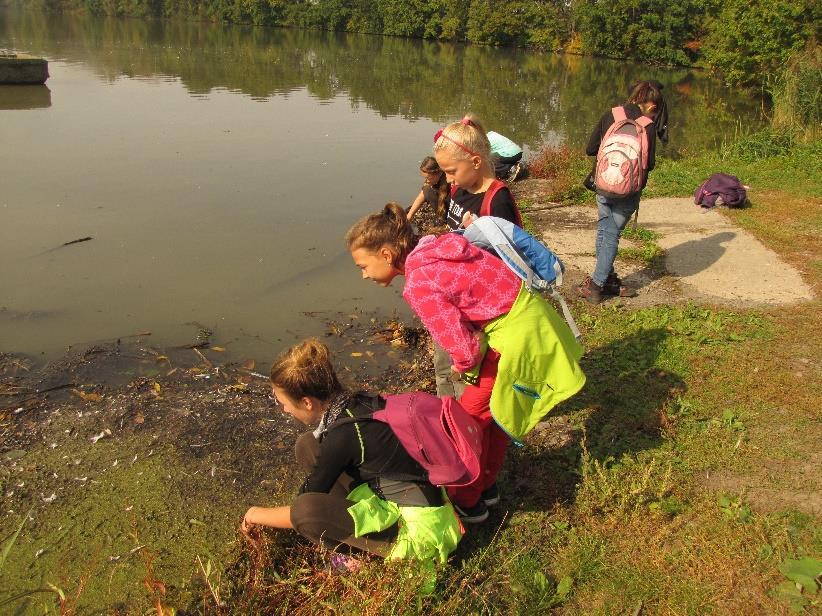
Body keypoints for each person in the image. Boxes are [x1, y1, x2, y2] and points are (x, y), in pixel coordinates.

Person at [346, 204, 585, 523]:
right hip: (531, 320)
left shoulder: (419, 283)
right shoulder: (440, 246)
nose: (362, 274)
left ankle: (467, 503)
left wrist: (462, 365)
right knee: (495, 416)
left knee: (464, 427)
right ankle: (487, 488)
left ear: (387, 254)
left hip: (511, 341)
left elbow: (463, 347)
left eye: (363, 265)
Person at [242, 339, 462, 569]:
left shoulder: (343, 437)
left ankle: (359, 556)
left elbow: (300, 508)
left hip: (418, 530)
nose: (284, 410)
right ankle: (353, 532)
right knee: (307, 445)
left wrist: (254, 514)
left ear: (307, 402)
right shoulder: (356, 403)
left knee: (304, 512)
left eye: (284, 403)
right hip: (401, 494)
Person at [576, 81, 663, 303]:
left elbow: (590, 148)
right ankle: (597, 287)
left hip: (604, 184)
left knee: (605, 232)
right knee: (611, 234)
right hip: (629, 191)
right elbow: (649, 164)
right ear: (651, 105)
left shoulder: (611, 114)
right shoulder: (647, 125)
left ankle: (606, 280)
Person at [433, 114, 521, 232]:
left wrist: (475, 232)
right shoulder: (458, 188)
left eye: (452, 171)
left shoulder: (497, 203)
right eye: (444, 172)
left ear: (476, 162)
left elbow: (505, 248)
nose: (448, 180)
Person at [406, 156, 449, 222]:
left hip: (449, 217)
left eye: (429, 178)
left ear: (439, 173)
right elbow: (422, 194)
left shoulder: (449, 184)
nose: (427, 181)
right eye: (425, 178)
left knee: (428, 191)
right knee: (427, 189)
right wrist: (409, 215)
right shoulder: (432, 183)